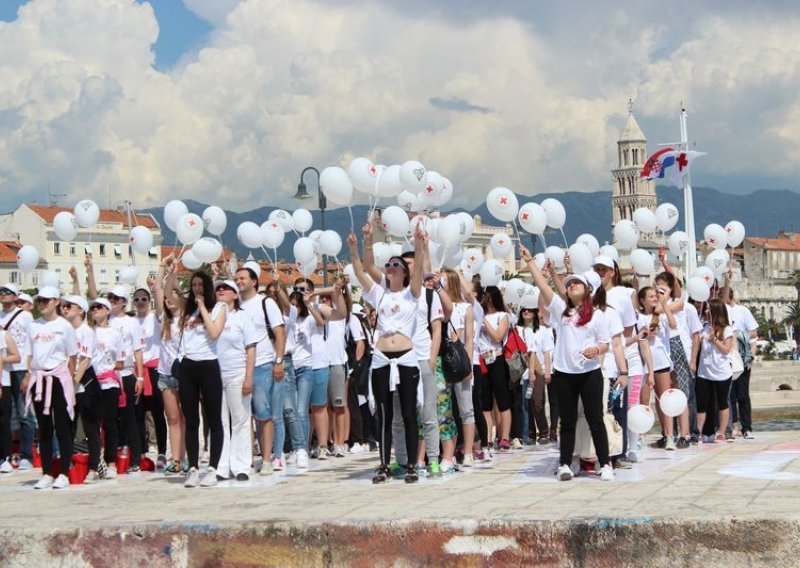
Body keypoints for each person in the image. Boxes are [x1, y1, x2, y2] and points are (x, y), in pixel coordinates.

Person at [521, 245, 614, 481]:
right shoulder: (562, 310)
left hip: (590, 373)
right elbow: (543, 287)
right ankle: (564, 464)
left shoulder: (598, 315)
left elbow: (606, 344)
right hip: (564, 373)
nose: (571, 285)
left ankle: (605, 464)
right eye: (569, 283)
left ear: (587, 290)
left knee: (595, 419)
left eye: (577, 283)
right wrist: (531, 262)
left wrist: (596, 349)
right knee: (568, 420)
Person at [348, 221, 424, 484]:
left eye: (396, 266)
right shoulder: (378, 295)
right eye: (389, 265)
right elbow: (362, 271)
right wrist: (361, 245)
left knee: (408, 411)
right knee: (384, 413)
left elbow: (419, 272)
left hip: (405, 358)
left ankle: (412, 464)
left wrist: (419, 244)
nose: (391, 268)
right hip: (381, 358)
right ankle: (383, 464)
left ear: (403, 273)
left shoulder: (411, 294)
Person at [171, 271, 227, 487]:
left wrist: (203, 307)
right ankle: (193, 467)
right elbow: (166, 292)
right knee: (191, 419)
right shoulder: (187, 307)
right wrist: (168, 271)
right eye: (193, 285)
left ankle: (213, 467)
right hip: (188, 366)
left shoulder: (220, 307)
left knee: (214, 419)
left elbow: (214, 333)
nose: (196, 289)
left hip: (209, 365)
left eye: (200, 285)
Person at [24, 287, 78, 489]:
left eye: (46, 300)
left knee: (63, 426)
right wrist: (28, 376)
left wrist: (70, 380)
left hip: (58, 376)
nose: (42, 304)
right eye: (40, 301)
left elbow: (72, 355)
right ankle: (47, 472)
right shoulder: (33, 326)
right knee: (44, 427)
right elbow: (29, 353)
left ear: (56, 301)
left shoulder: (64, 326)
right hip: (39, 377)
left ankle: (64, 471)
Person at [234, 267, 285, 472]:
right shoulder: (235, 306)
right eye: (236, 279)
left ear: (254, 281)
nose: (238, 281)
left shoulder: (266, 302)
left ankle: (269, 459)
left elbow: (279, 332)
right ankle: (247, 458)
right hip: (240, 367)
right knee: (246, 417)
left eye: (242, 278)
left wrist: (279, 360)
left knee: (266, 415)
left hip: (264, 365)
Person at [214, 280, 258, 481]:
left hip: (237, 373)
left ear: (235, 294)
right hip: (214, 375)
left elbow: (251, 348)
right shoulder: (211, 315)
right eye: (218, 288)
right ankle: (221, 466)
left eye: (226, 288)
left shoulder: (243, 318)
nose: (221, 291)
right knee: (218, 421)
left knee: (240, 420)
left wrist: (249, 377)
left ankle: (241, 465)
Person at [637, 286, 683, 450]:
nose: (654, 298)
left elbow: (673, 324)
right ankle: (641, 435)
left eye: (655, 295)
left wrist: (664, 304)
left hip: (662, 362)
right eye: (651, 296)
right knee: (644, 402)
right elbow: (640, 339)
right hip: (643, 364)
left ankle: (669, 436)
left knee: (665, 401)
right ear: (642, 300)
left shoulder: (661, 316)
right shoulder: (639, 317)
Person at [442, 268, 477, 467]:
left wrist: (468, 365)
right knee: (445, 409)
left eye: (445, 280)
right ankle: (448, 450)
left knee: (466, 408)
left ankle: (469, 451)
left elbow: (469, 339)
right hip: (443, 362)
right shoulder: (437, 305)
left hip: (460, 361)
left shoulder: (465, 308)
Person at [0, 283, 35, 470]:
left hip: (21, 367)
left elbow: (30, 344)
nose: (4, 295)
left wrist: (29, 372)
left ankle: (27, 454)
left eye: (8, 292)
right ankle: (9, 454)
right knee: (7, 414)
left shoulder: (26, 316)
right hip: (4, 370)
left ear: (15, 296)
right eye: (1, 292)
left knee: (24, 412)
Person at [133, 286, 167, 468]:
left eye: (143, 299)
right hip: (136, 369)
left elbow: (161, 306)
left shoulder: (155, 318)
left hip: (153, 367)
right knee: (138, 414)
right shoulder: (131, 321)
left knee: (157, 412)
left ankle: (162, 451)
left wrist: (155, 288)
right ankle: (141, 452)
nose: (140, 303)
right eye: (137, 299)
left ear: (149, 301)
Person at [479, 286, 513, 453]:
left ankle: (505, 437)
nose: (487, 300)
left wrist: (484, 321)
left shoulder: (503, 316)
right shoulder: (480, 315)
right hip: (482, 359)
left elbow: (498, 336)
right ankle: (488, 437)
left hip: (497, 358)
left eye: (490, 297)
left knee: (502, 399)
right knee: (485, 402)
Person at [696, 299, 735, 442]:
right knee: (702, 403)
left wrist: (715, 339)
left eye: (708, 309)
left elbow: (726, 350)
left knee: (722, 402)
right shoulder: (703, 326)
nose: (705, 311)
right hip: (704, 371)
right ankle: (698, 432)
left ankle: (722, 432)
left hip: (721, 372)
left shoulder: (726, 329)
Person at [0, 306, 22, 473]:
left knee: (3, 421)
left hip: (3, 383)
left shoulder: (3, 335)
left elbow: (17, 356)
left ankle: (5, 457)